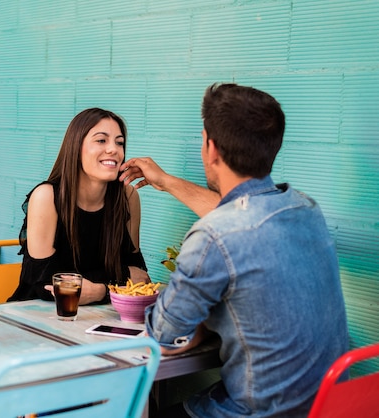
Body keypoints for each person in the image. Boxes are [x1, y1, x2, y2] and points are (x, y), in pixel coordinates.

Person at [120, 83, 349, 417]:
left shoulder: (213, 236)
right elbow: (241, 214)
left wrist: (199, 322)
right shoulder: (305, 208)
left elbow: (163, 337)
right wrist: (167, 181)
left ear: (210, 148)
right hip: (326, 405)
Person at [8, 108, 149, 305]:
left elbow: (140, 277)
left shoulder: (128, 197)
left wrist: (99, 290)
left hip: (101, 315)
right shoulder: (46, 197)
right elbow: (46, 285)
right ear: (76, 147)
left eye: (119, 142)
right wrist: (114, 281)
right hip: (38, 313)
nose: (113, 149)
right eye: (101, 140)